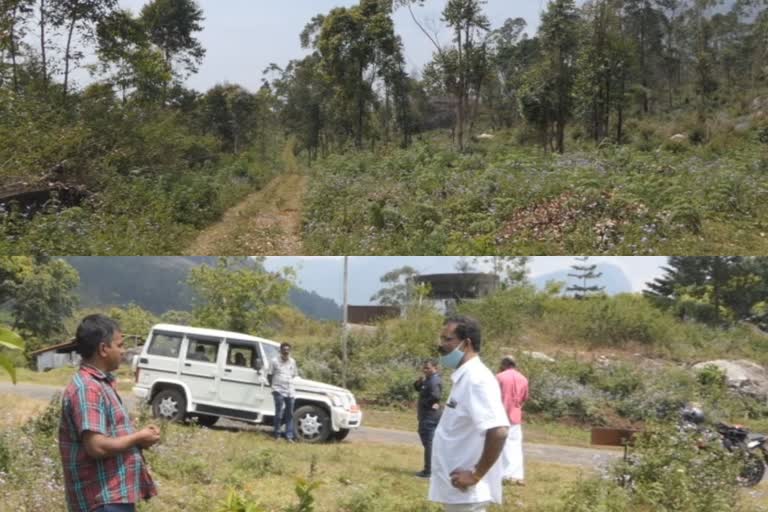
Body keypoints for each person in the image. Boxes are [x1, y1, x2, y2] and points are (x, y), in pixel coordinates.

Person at [59, 314, 161, 512]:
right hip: (101, 501)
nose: (123, 351)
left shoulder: (100, 384)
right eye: (120, 345)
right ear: (103, 349)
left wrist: (137, 439)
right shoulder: (88, 389)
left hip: (111, 497)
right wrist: (138, 437)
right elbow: (97, 447)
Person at [428, 316, 510, 512]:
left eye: (448, 339)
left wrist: (475, 475)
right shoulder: (465, 378)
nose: (442, 345)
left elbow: (499, 431)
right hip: (457, 492)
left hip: (467, 493)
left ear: (466, 344)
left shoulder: (477, 380)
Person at [497, 355, 529, 486]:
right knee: (515, 445)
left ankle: (504, 474)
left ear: (504, 364)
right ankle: (516, 475)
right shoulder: (523, 378)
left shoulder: (499, 377)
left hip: (500, 414)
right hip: (515, 415)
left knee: (501, 445)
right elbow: (524, 398)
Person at [414, 359, 442, 478]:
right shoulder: (428, 379)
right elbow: (420, 389)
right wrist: (418, 383)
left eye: (428, 368)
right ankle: (432, 469)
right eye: (424, 368)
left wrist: (425, 403)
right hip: (426, 415)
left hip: (430, 416)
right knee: (428, 442)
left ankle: (428, 471)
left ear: (435, 368)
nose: (425, 370)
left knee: (429, 443)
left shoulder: (434, 381)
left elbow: (435, 397)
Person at [269, 342, 298, 441]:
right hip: (278, 390)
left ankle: (289, 436)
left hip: (290, 391)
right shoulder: (274, 361)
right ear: (280, 350)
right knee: (279, 413)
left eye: (287, 350)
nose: (286, 351)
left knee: (289, 414)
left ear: (290, 351)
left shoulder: (292, 361)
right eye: (284, 350)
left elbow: (293, 374)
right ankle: (277, 435)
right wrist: (273, 387)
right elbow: (269, 375)